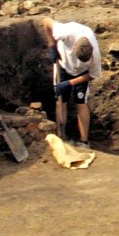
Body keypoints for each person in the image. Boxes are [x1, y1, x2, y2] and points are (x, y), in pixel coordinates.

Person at [41, 17, 102, 148]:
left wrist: (70, 83)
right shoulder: (65, 32)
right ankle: (61, 138)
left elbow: (93, 75)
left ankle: (84, 141)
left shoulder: (95, 55)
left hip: (82, 73)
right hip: (62, 66)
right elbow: (46, 21)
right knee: (61, 100)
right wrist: (51, 45)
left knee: (81, 103)